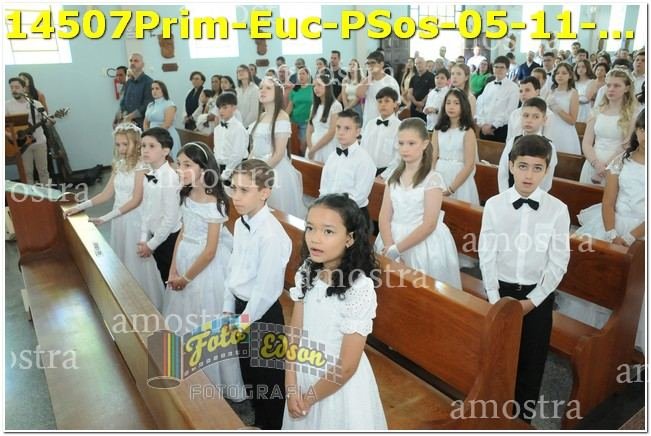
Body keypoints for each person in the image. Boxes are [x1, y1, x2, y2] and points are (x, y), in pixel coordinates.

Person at [478, 135, 570, 423]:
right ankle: (493, 418)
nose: (529, 175)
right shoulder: (494, 205)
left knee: (531, 363)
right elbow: (486, 253)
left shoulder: (557, 209)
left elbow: (558, 261)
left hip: (537, 298)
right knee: (496, 359)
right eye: (523, 166)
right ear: (511, 166)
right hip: (500, 293)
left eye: (537, 168)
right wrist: (495, 297)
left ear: (546, 170)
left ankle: (522, 422)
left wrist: (533, 301)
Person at [282, 194, 387, 430]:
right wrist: (291, 385)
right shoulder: (307, 271)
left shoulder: (359, 287)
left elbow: (347, 365)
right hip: (303, 371)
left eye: (328, 231)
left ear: (349, 238)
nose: (315, 238)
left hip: (336, 384)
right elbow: (295, 332)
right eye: (310, 228)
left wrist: (309, 398)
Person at [162, 142, 245, 400]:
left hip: (205, 268)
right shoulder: (186, 194)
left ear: (204, 168)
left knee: (205, 320)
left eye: (187, 164)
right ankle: (185, 372)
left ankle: (211, 382)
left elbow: (210, 250)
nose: (180, 169)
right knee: (183, 317)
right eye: (179, 163)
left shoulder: (214, 202)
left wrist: (186, 278)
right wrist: (174, 269)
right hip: (185, 259)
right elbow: (182, 233)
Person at [559, 110, 646, 354]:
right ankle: (597, 335)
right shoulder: (621, 161)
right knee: (600, 275)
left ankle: (629, 337)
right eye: (642, 129)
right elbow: (608, 202)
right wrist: (612, 234)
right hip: (612, 223)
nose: (645, 135)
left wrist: (630, 237)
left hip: (642, 231)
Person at [224, 159, 292, 430]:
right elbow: (233, 267)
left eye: (244, 190)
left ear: (264, 193)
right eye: (233, 188)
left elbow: (266, 289)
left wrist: (243, 321)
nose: (236, 197)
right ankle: (259, 424)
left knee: (269, 382)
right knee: (249, 374)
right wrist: (228, 309)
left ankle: (272, 427)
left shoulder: (272, 235)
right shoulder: (242, 223)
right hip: (242, 309)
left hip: (262, 316)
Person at [65, 123, 164, 306]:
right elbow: (106, 194)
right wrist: (80, 206)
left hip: (135, 220)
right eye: (118, 144)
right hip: (119, 219)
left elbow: (136, 200)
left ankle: (145, 302)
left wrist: (105, 217)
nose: (121, 149)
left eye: (125, 144)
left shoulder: (142, 166)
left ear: (136, 143)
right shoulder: (119, 165)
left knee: (136, 260)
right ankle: (127, 300)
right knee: (122, 258)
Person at [376, 118, 462, 289]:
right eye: (401, 143)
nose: (404, 148)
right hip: (392, 238)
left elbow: (429, 224)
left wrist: (398, 249)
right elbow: (384, 216)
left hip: (422, 242)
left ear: (424, 144)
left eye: (411, 143)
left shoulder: (432, 179)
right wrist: (389, 246)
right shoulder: (393, 177)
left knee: (423, 291)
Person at [249, 77, 306, 219]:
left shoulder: (282, 117)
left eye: (268, 88)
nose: (262, 91)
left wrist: (260, 173)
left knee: (277, 215)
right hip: (257, 167)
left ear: (278, 94)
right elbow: (254, 148)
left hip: (274, 170)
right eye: (261, 88)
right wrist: (248, 167)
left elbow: (279, 154)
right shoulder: (262, 116)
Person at [138, 127, 182, 290]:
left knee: (171, 277)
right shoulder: (150, 174)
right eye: (143, 146)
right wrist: (144, 238)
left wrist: (152, 244)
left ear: (165, 151)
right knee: (163, 275)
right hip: (156, 236)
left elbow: (170, 218)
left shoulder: (169, 178)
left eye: (151, 146)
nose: (145, 150)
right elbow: (145, 209)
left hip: (170, 238)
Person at [579, 69, 638, 185]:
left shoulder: (632, 115)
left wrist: (606, 167)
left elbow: (625, 146)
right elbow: (586, 143)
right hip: (593, 161)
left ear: (626, 88)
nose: (611, 89)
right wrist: (596, 164)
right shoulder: (595, 112)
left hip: (616, 164)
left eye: (617, 85)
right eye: (608, 85)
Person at [320, 109, 376, 226]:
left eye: (347, 128)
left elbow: (359, 196)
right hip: (330, 211)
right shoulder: (333, 156)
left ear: (357, 132)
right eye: (338, 127)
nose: (341, 132)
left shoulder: (364, 160)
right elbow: (324, 187)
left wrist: (337, 212)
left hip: (353, 215)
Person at [498, 97, 558, 193]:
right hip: (510, 194)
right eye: (526, 116)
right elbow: (503, 171)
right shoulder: (513, 141)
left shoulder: (549, 146)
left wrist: (535, 196)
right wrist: (504, 194)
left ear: (544, 120)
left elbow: (547, 177)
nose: (529, 120)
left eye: (535, 117)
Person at [432, 88, 479, 205]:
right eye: (448, 103)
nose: (451, 107)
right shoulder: (438, 130)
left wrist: (451, 189)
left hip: (460, 178)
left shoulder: (468, 131)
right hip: (440, 174)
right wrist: (431, 179)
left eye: (456, 103)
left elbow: (469, 165)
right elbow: (432, 157)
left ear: (463, 106)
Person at [6, 77, 50, 185]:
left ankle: (47, 194)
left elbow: (47, 122)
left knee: (43, 171)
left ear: (24, 88)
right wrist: (9, 135)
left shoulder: (36, 104)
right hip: (22, 145)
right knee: (27, 173)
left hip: (39, 142)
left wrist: (51, 121)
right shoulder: (6, 105)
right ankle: (31, 195)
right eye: (11, 87)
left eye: (17, 87)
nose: (14, 90)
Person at [476, 56, 519, 142]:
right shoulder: (488, 86)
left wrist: (493, 126)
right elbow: (480, 105)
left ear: (507, 70)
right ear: (493, 68)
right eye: (496, 67)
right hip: (484, 129)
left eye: (502, 67)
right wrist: (482, 124)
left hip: (501, 130)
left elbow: (510, 111)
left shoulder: (513, 88)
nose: (498, 70)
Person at [360, 87, 400, 176]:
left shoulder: (399, 127)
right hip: (366, 170)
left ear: (395, 104)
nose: (383, 105)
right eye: (380, 101)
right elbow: (362, 148)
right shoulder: (370, 124)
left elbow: (399, 156)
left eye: (387, 101)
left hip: (387, 173)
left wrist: (384, 175)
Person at [357, 51, 401, 127]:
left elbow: (396, 106)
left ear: (381, 64)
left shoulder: (391, 82)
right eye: (368, 63)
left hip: (385, 123)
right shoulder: (367, 81)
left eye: (373, 63)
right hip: (369, 122)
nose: (370, 66)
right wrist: (370, 77)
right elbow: (359, 94)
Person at [544, 62, 581, 154]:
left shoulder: (573, 93)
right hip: (549, 129)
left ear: (570, 76)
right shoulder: (550, 92)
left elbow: (572, 120)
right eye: (557, 73)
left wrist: (556, 108)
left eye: (564, 73)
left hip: (564, 131)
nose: (560, 76)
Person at [306, 72, 342, 163]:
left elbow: (331, 132)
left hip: (327, 145)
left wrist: (314, 149)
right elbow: (309, 130)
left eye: (319, 85)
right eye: (314, 86)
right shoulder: (314, 106)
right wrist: (310, 147)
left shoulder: (336, 106)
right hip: (313, 144)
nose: (315, 88)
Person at [213, 92, 249, 180]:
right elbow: (216, 150)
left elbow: (237, 155)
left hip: (236, 168)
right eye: (219, 108)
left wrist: (226, 174)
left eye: (225, 107)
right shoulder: (217, 129)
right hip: (221, 168)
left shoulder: (238, 129)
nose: (221, 111)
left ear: (234, 108)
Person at [143, 80, 181, 157]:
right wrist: (147, 134)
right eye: (152, 89)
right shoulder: (150, 105)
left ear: (163, 90)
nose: (154, 91)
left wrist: (154, 135)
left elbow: (167, 124)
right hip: (152, 136)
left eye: (157, 88)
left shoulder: (169, 104)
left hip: (165, 135)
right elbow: (146, 122)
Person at [119, 53, 153, 128]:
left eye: (136, 61)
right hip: (128, 123)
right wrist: (125, 115)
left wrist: (130, 116)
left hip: (143, 124)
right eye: (131, 60)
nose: (132, 63)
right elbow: (123, 101)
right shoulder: (128, 82)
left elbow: (147, 104)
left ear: (143, 65)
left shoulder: (149, 82)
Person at [286, 67, 314, 154]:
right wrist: (283, 117)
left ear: (308, 76)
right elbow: (290, 106)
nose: (301, 76)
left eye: (303, 74)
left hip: (306, 123)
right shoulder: (295, 89)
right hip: (294, 122)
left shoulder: (313, 88)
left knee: (303, 146)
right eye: (299, 74)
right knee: (294, 147)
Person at [407, 57, 435, 121]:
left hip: (426, 108)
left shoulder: (431, 76)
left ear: (425, 64)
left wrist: (422, 102)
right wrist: (415, 102)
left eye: (420, 63)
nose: (418, 65)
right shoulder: (413, 78)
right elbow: (409, 93)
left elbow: (431, 92)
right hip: (414, 108)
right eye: (416, 63)